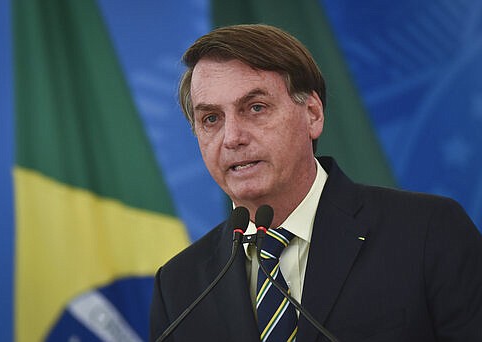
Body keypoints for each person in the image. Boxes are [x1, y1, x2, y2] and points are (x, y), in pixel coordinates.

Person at [150, 24, 482, 341]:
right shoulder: (179, 287)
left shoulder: (427, 232)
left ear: (313, 114)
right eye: (211, 119)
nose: (232, 137)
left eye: (255, 107)